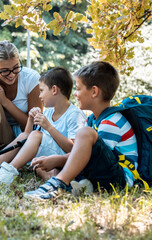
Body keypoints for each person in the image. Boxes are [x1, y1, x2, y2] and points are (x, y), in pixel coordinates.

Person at [24, 61, 138, 200]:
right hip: (103, 173)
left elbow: (94, 158)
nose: (75, 94)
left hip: (120, 180)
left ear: (94, 92)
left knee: (85, 133)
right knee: (42, 165)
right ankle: (71, 185)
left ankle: (58, 184)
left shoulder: (112, 122)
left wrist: (58, 160)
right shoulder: (94, 120)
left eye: (78, 88)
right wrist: (51, 160)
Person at [0, 67, 86, 184]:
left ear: (54, 90)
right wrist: (30, 119)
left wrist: (49, 127)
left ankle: (9, 170)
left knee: (36, 135)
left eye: (42, 91)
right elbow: (27, 137)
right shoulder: (49, 112)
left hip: (63, 158)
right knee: (34, 153)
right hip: (47, 156)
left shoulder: (74, 114)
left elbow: (74, 149)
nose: (39, 96)